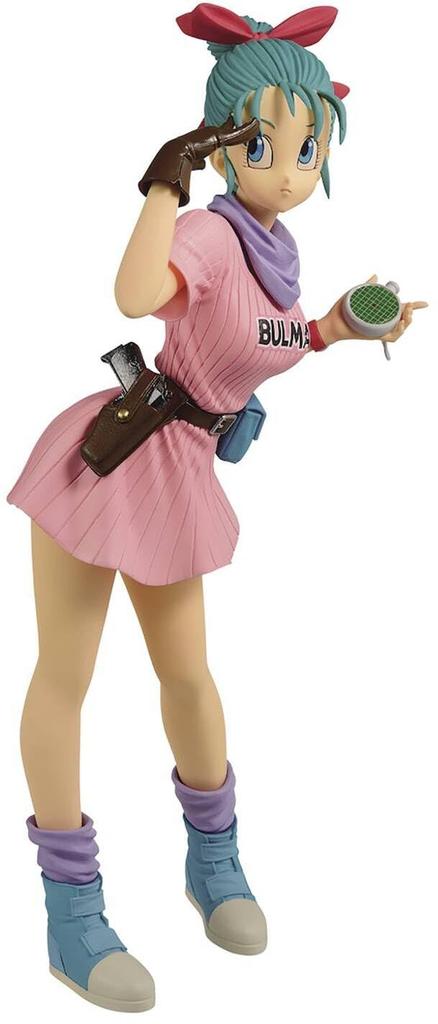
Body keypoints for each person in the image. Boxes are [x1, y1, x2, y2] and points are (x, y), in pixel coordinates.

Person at [6, 3, 428, 1013]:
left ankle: (213, 861)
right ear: (227, 142)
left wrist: (334, 328)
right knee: (67, 675)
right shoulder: (203, 229)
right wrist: (167, 176)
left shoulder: (278, 253)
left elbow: (268, 344)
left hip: (184, 470)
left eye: (308, 146)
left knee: (189, 676)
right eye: (266, 144)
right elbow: (131, 293)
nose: (289, 168)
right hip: (112, 456)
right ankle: (71, 909)